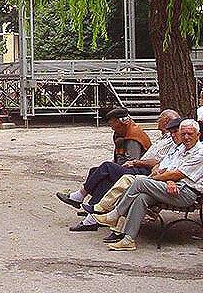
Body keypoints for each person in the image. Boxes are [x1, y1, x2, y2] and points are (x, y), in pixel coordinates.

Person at [94, 119, 203, 251]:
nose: (186, 137)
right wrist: (168, 180)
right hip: (171, 187)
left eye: (190, 134)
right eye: (183, 134)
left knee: (139, 181)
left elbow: (176, 174)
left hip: (185, 193)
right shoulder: (180, 149)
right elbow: (167, 169)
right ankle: (128, 240)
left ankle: (115, 215)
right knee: (141, 197)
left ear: (198, 135)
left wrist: (160, 178)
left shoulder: (199, 153)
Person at [55, 107, 152, 230]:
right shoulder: (122, 132)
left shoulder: (134, 136)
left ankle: (80, 197)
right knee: (95, 171)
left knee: (106, 168)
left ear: (119, 121)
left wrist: (114, 167)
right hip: (128, 167)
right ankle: (94, 210)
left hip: (137, 171)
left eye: (112, 122)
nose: (110, 125)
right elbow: (119, 157)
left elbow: (132, 161)